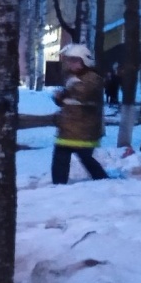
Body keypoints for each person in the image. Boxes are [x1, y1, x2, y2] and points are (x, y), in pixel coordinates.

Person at [52, 43, 109, 185]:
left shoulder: (92, 78)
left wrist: (67, 91)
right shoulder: (72, 78)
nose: (71, 64)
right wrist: (60, 96)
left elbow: (82, 94)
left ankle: (103, 180)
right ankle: (58, 185)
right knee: (61, 158)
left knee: (85, 158)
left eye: (75, 60)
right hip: (68, 129)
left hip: (83, 130)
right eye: (70, 60)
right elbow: (67, 100)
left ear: (85, 60)